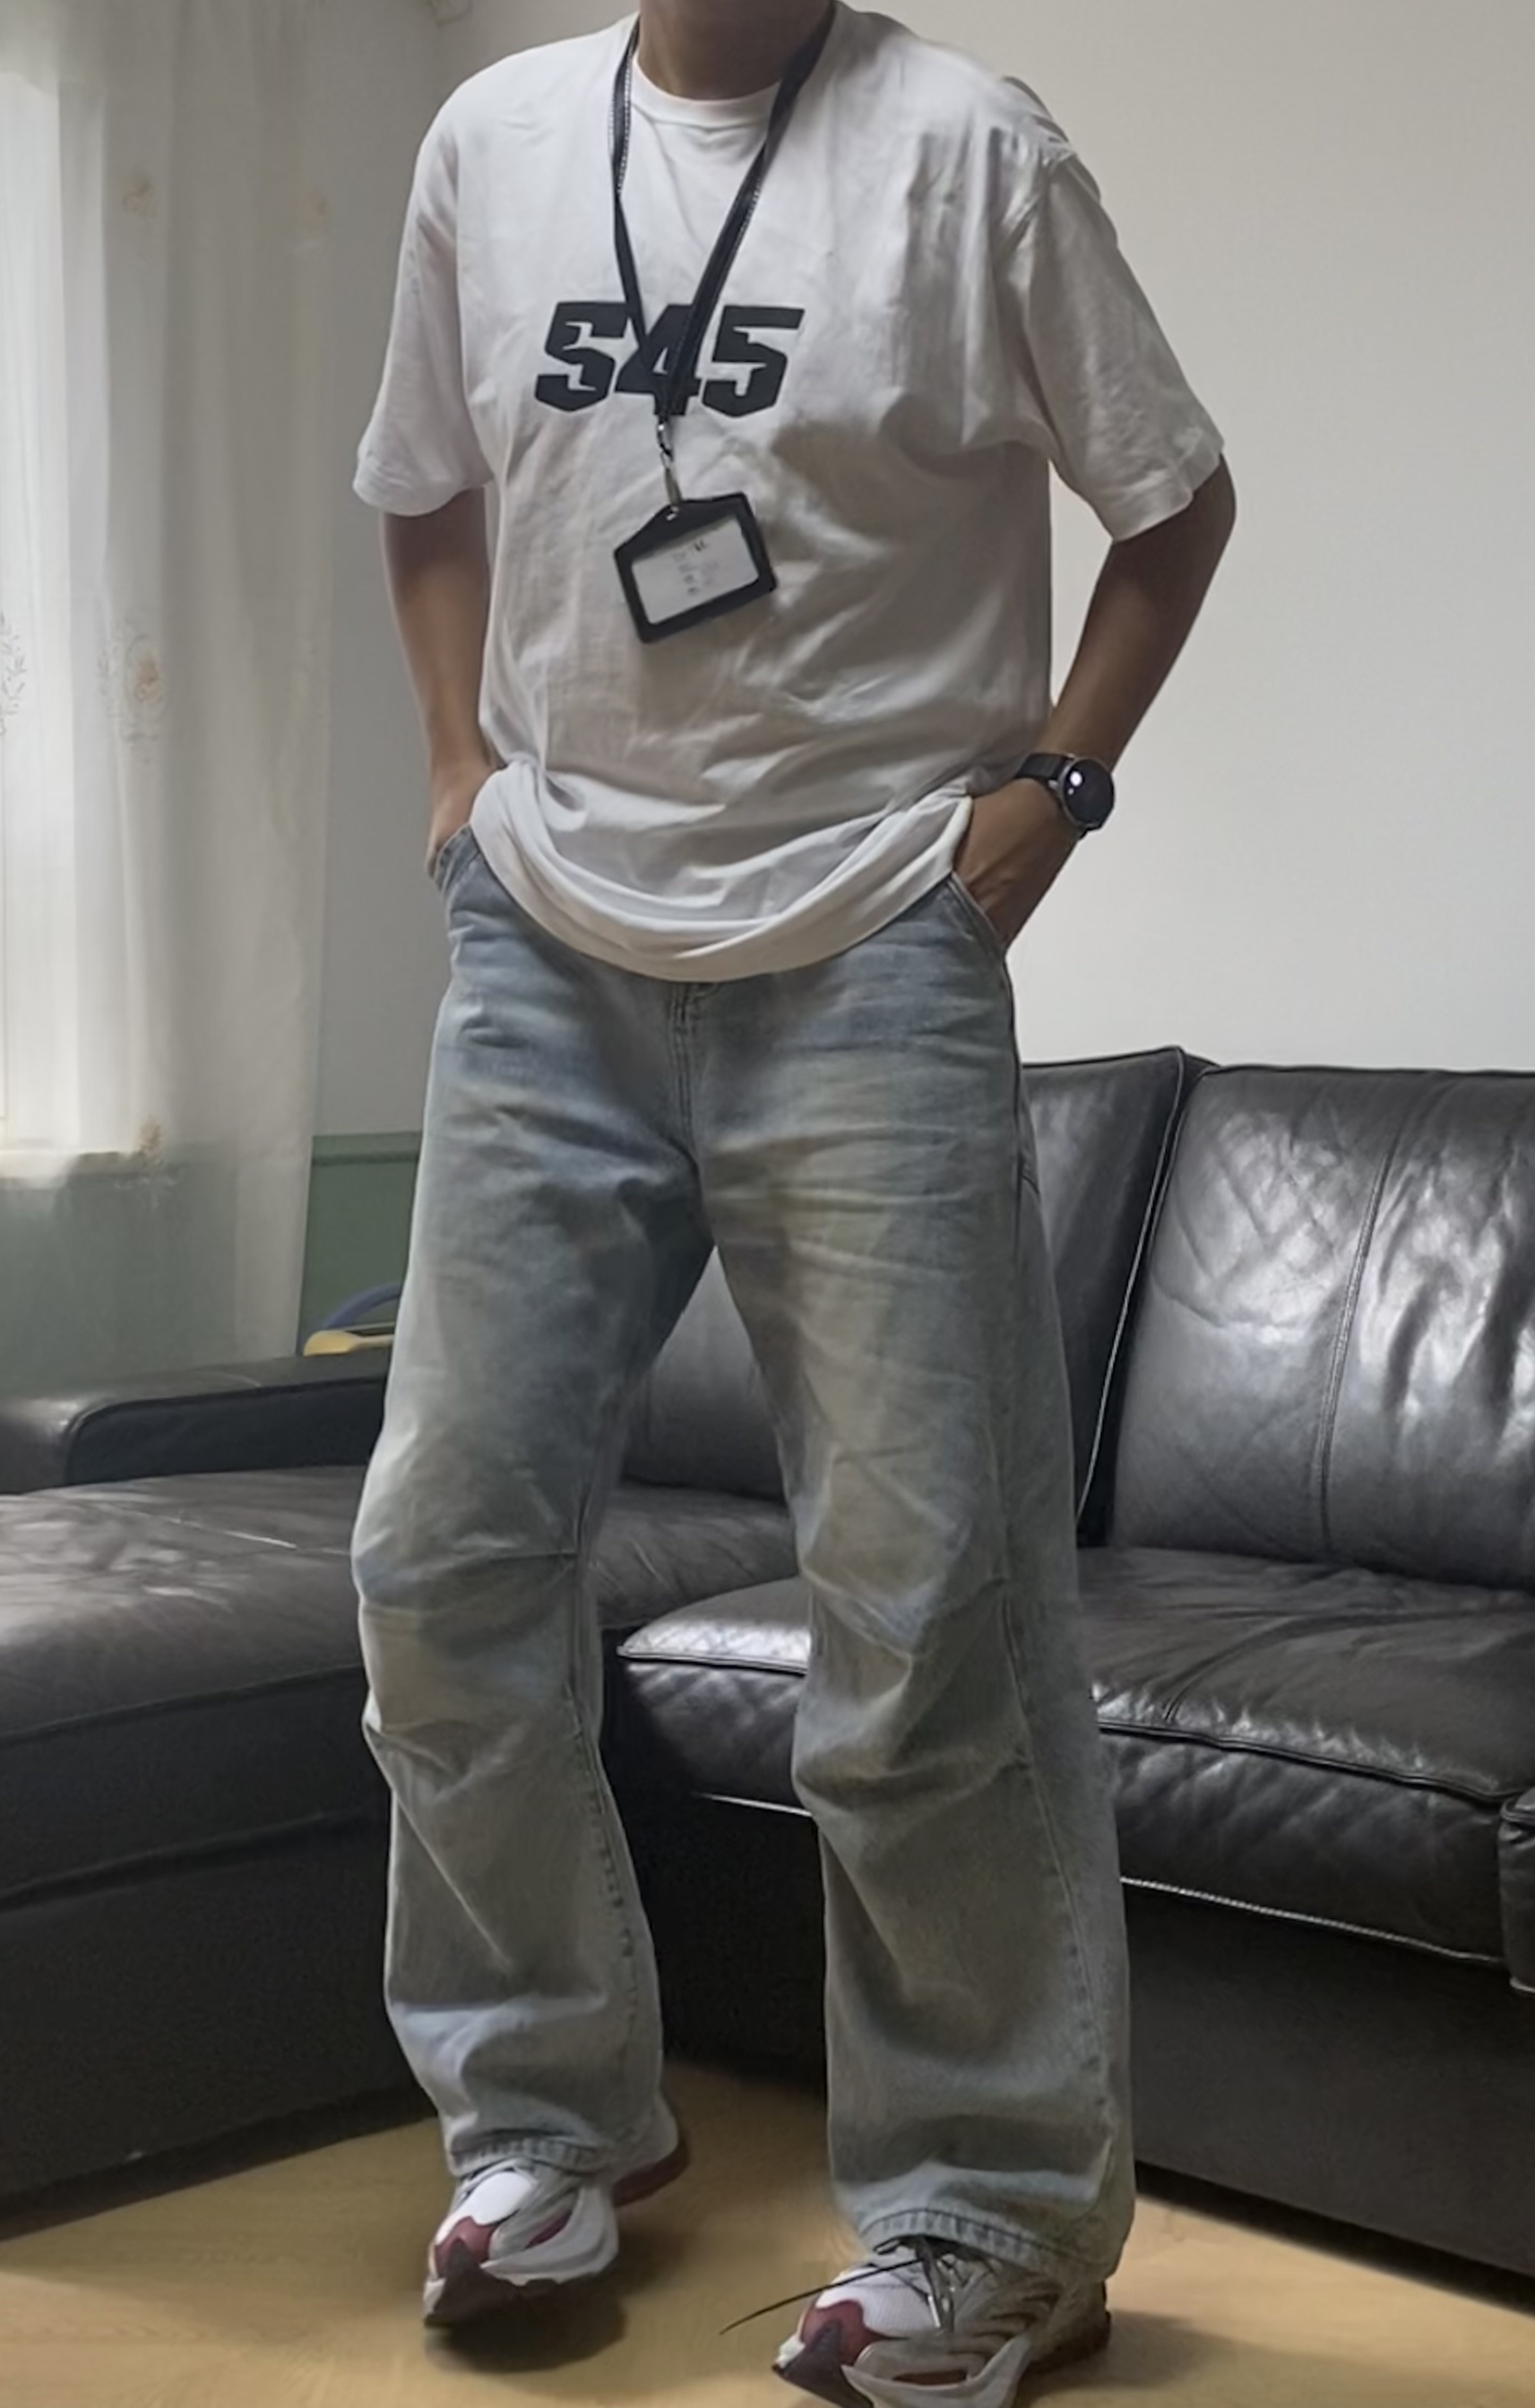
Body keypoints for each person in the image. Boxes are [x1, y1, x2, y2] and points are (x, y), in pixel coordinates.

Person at [350, 2, 1235, 2400]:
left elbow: (1172, 502)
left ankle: (991, 2222)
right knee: (436, 1561)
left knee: (927, 1607)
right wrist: (449, 767)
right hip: (546, 951)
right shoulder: (493, 138)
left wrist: (1055, 792)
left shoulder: (968, 151)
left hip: (868, 945)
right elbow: (419, 484)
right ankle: (541, 2125)